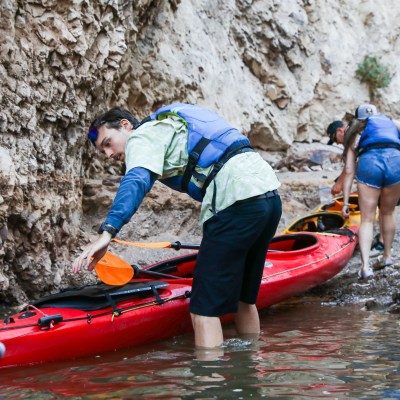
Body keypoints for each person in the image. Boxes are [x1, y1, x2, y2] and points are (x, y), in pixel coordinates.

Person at [72, 103, 282, 349]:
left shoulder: (142, 135)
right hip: (268, 196)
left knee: (203, 309)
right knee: (244, 300)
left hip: (236, 201)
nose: (108, 154)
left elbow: (136, 179)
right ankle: (251, 372)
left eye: (108, 143)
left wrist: (106, 234)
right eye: (102, 152)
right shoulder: (169, 126)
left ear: (126, 126)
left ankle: (209, 383)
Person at [340, 104, 400, 279]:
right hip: (395, 161)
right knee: (388, 212)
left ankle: (365, 267)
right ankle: (387, 256)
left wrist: (345, 202)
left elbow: (349, 170)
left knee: (367, 219)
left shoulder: (356, 134)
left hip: (369, 162)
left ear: (358, 119)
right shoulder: (390, 124)